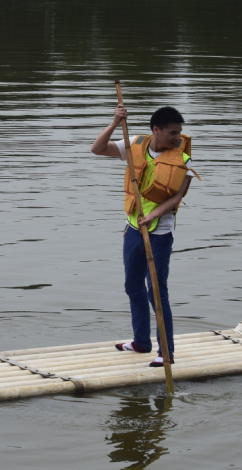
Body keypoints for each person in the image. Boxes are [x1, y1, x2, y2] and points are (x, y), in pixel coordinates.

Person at [91, 105, 199, 368]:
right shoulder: (134, 145)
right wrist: (116, 122)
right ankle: (141, 341)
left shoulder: (183, 160)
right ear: (156, 130)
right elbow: (97, 148)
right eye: (172, 132)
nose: (177, 138)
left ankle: (166, 352)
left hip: (159, 233)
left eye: (179, 133)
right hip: (132, 229)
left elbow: (177, 196)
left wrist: (153, 215)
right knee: (132, 287)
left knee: (157, 293)